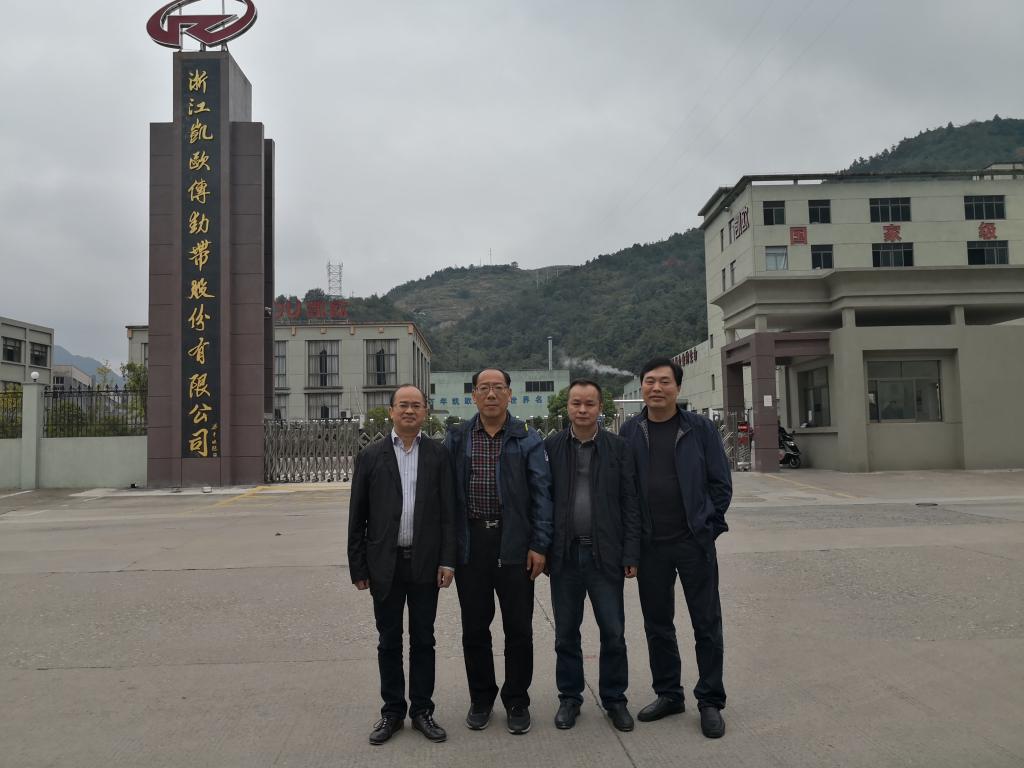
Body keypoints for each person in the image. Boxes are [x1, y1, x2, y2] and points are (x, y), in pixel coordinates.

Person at [619, 357, 732, 739]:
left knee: (706, 624)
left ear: (677, 388)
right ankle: (669, 694)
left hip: (693, 544)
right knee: (658, 625)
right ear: (642, 387)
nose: (656, 388)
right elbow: (625, 489)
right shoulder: (630, 430)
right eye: (650, 381)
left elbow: (721, 484)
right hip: (651, 546)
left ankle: (710, 700)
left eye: (664, 381)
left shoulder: (699, 428)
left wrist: (706, 528)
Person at [444, 367, 553, 735]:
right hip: (472, 544)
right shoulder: (457, 438)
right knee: (475, 628)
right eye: (484, 388)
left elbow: (542, 495)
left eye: (498, 388)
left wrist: (539, 544)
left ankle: (517, 699)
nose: (491, 394)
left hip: (515, 544)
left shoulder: (527, 438)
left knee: (518, 628)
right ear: (473, 395)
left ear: (509, 394)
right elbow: (445, 497)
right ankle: (481, 698)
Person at [347, 384, 456, 746]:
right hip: (385, 565)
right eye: (403, 405)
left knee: (424, 639)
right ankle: (392, 712)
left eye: (416, 405)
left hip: (425, 564)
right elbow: (358, 516)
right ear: (391, 411)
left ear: (425, 411)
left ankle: (422, 710)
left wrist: (448, 560)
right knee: (389, 640)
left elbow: (448, 514)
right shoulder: (370, 456)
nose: (410, 411)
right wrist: (359, 567)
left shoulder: (438, 455)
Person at [544, 379, 640, 732]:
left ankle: (615, 699)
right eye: (576, 403)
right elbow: (543, 500)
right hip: (565, 556)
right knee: (566, 634)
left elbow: (631, 503)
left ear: (601, 408)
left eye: (589, 403)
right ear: (567, 407)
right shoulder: (551, 447)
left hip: (606, 556)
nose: (582, 409)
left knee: (613, 632)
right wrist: (544, 549)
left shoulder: (619, 448)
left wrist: (631, 552)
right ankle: (570, 698)